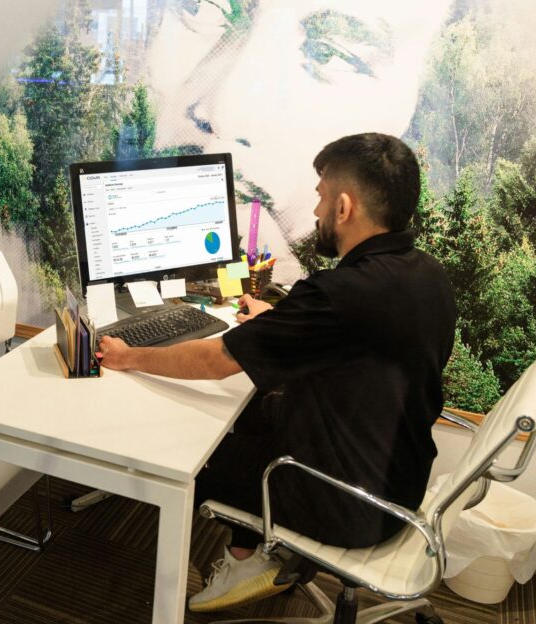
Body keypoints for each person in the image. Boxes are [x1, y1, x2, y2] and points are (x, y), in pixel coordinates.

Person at [97, 133, 457, 613]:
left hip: (346, 505)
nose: (316, 212)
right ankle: (251, 553)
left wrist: (130, 356)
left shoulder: (340, 293)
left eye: (321, 197)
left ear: (345, 208)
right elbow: (358, 347)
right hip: (398, 485)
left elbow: (215, 361)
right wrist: (279, 319)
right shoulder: (426, 275)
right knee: (258, 410)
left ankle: (247, 558)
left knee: (200, 444)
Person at [145, 0, 452, 284]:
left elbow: (234, 339)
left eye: (326, 53)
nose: (225, 114)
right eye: (204, 7)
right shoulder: (430, 277)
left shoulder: (336, 297)